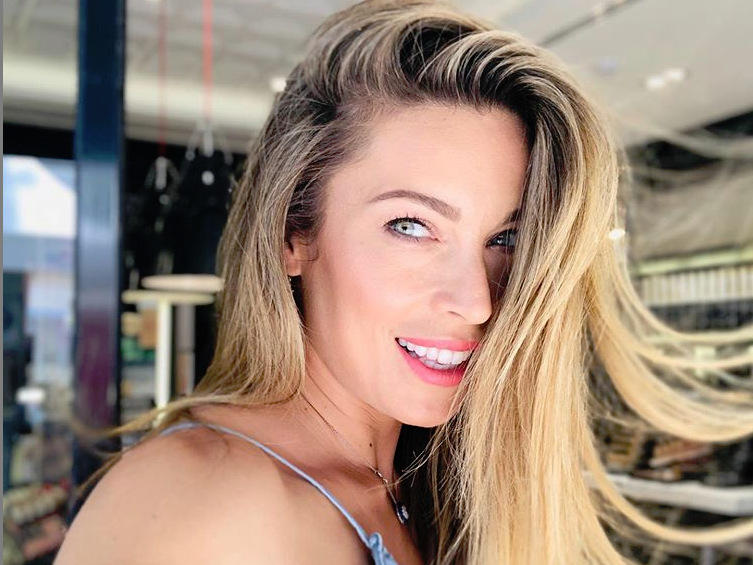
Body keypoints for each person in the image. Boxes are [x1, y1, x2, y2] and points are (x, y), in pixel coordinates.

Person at [54, 1, 753, 564]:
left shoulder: (423, 484)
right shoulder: (202, 502)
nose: (476, 301)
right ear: (294, 234)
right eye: (411, 225)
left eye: (505, 238)